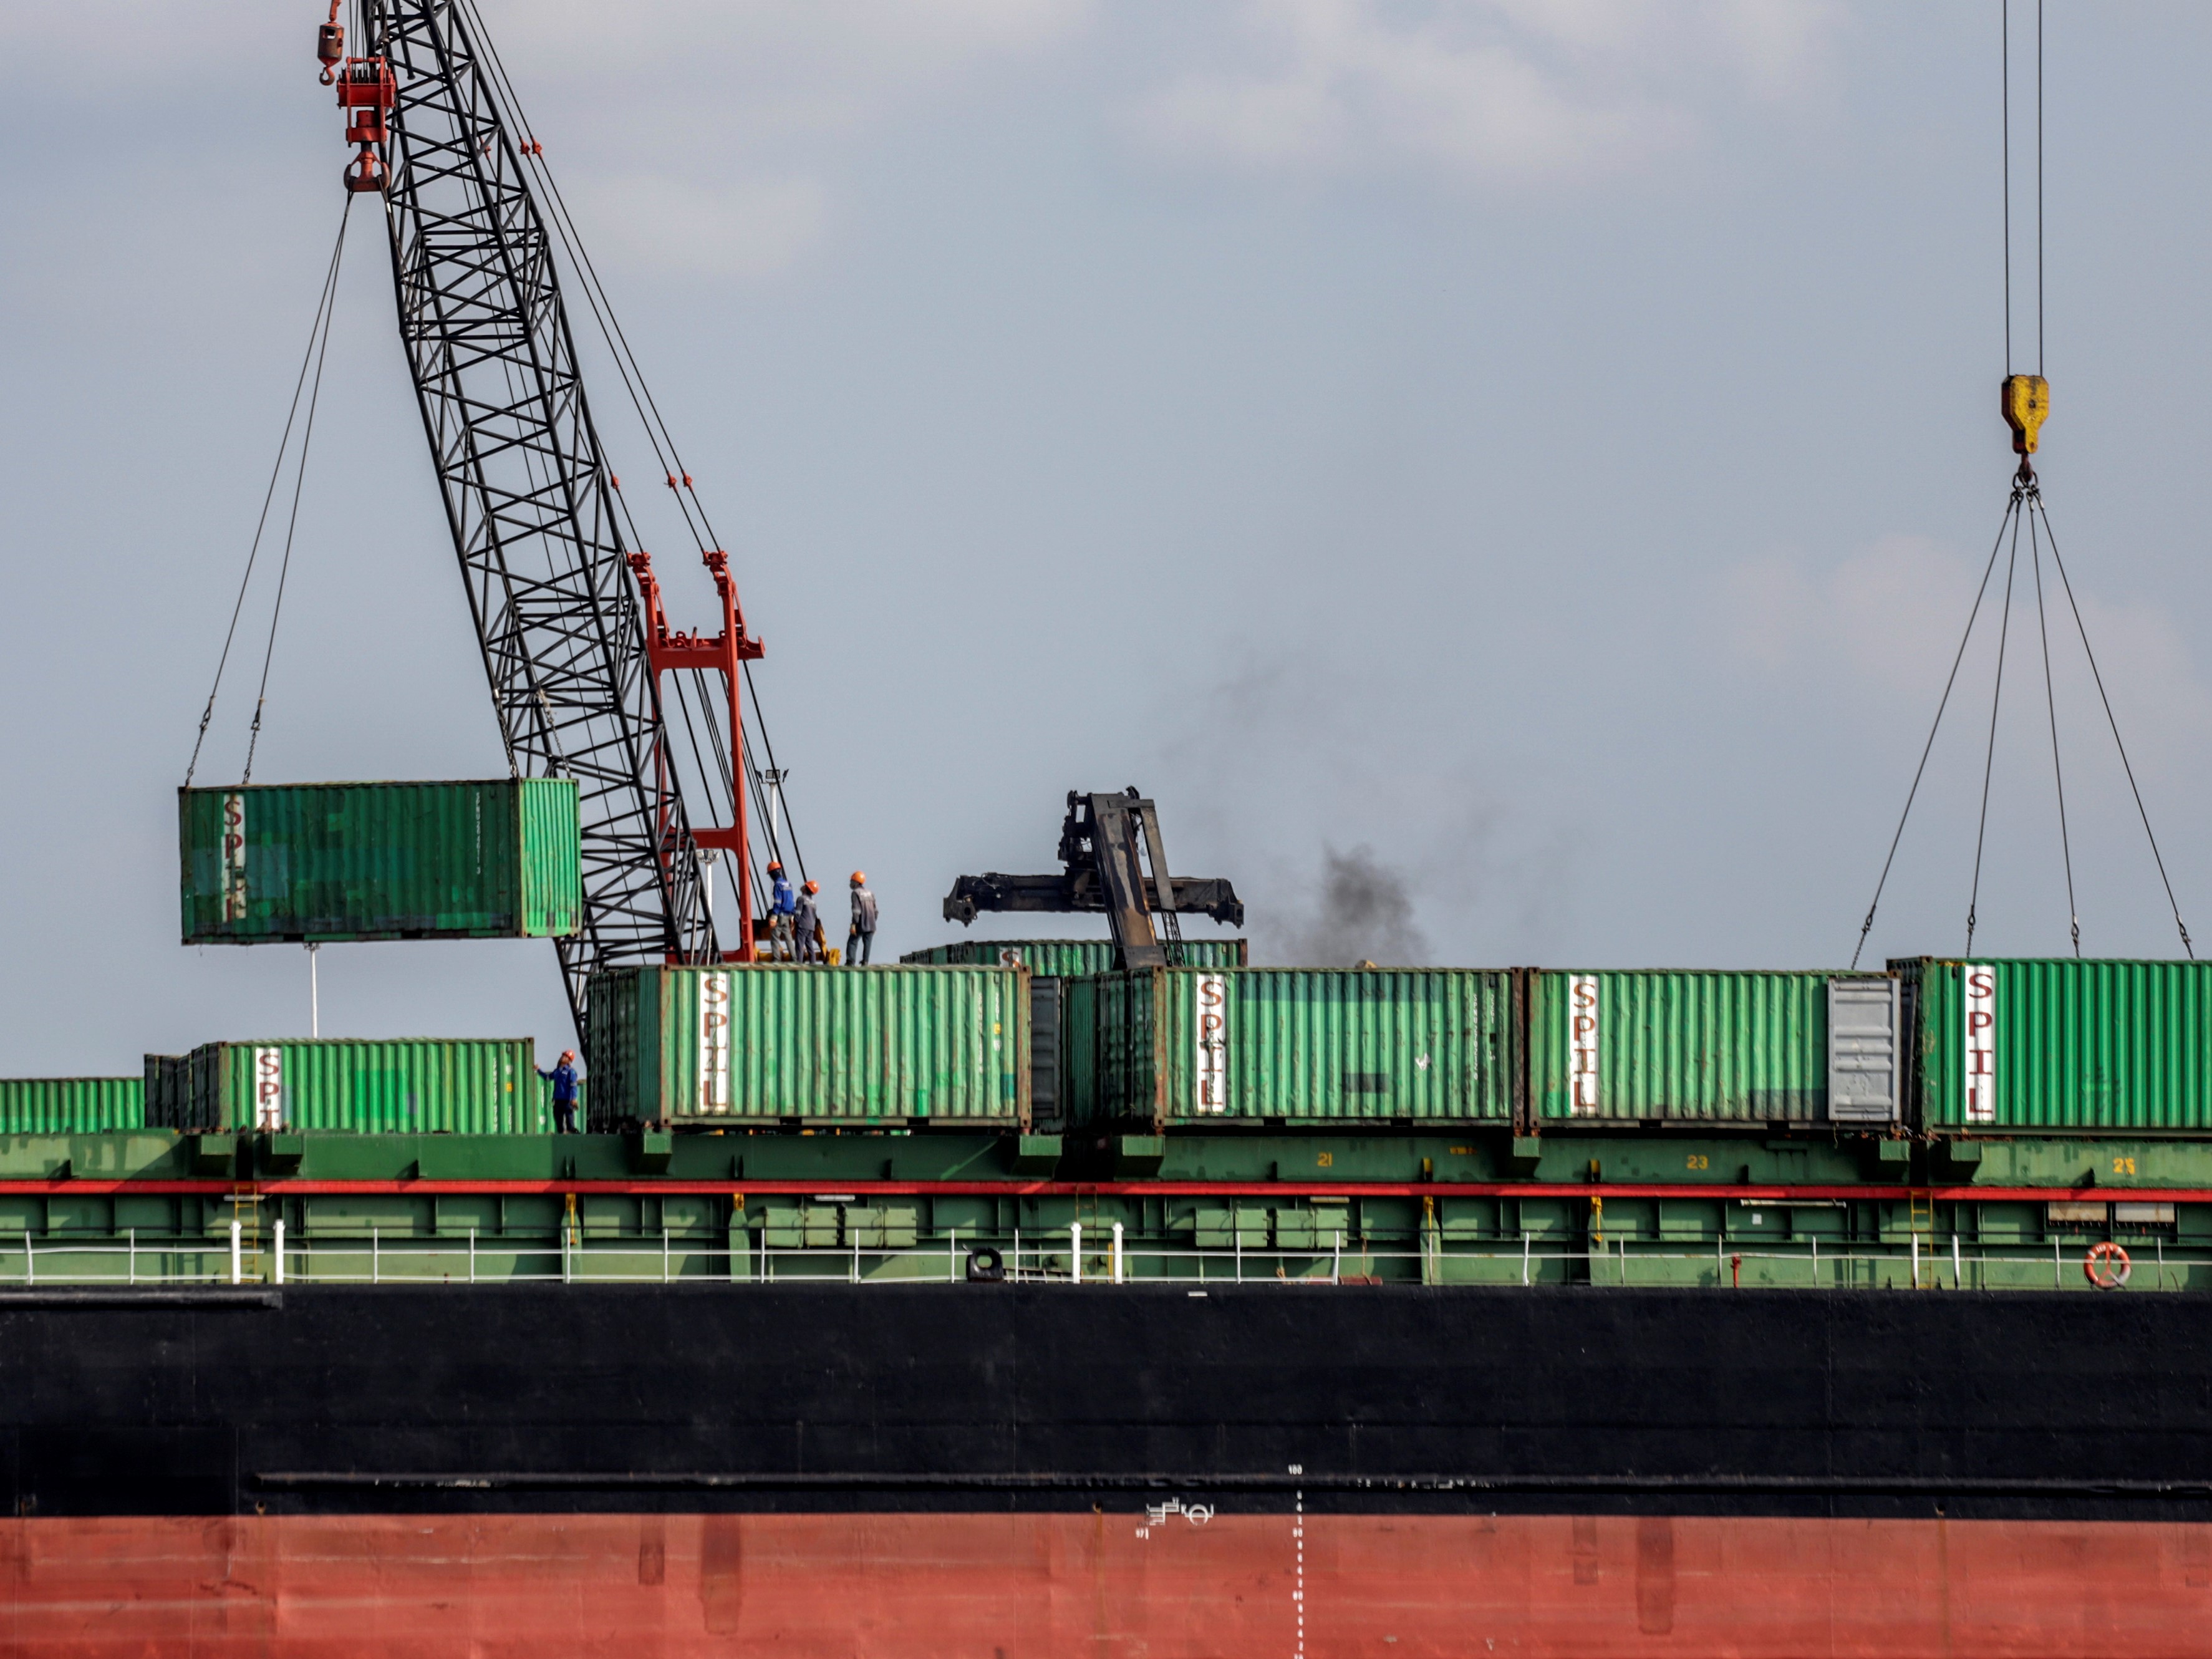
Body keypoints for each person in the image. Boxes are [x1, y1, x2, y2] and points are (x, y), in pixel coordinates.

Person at [539, 1048, 581, 1134]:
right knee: (559, 1122)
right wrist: (539, 1070)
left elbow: (573, 1085)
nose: (563, 1058)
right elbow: (547, 1078)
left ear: (569, 1060)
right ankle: (562, 1136)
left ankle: (573, 1135)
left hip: (567, 1101)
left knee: (570, 1122)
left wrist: (574, 1099)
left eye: (566, 1057)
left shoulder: (570, 1071)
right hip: (558, 1100)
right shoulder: (557, 1071)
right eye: (563, 1056)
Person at [766, 861, 796, 961]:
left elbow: (778, 902)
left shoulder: (778, 885)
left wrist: (774, 917)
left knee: (775, 937)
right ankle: (794, 958)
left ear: (773, 873)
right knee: (788, 938)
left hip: (780, 916)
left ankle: (777, 959)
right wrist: (792, 915)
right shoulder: (788, 884)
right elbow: (791, 901)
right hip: (788, 915)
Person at [847, 871, 878, 965]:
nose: (850, 883)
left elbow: (856, 911)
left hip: (861, 923)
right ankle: (865, 962)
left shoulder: (855, 893)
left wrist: (854, 924)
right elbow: (876, 911)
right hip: (872, 924)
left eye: (852, 881)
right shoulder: (870, 893)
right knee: (868, 944)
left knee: (852, 942)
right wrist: (873, 921)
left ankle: (850, 962)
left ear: (856, 882)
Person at [794, 879, 822, 964]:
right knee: (810, 947)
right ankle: (813, 964)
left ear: (806, 888)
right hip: (811, 928)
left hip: (802, 926)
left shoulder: (801, 899)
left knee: (800, 946)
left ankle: (799, 964)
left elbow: (798, 913)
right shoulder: (813, 903)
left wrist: (796, 923)